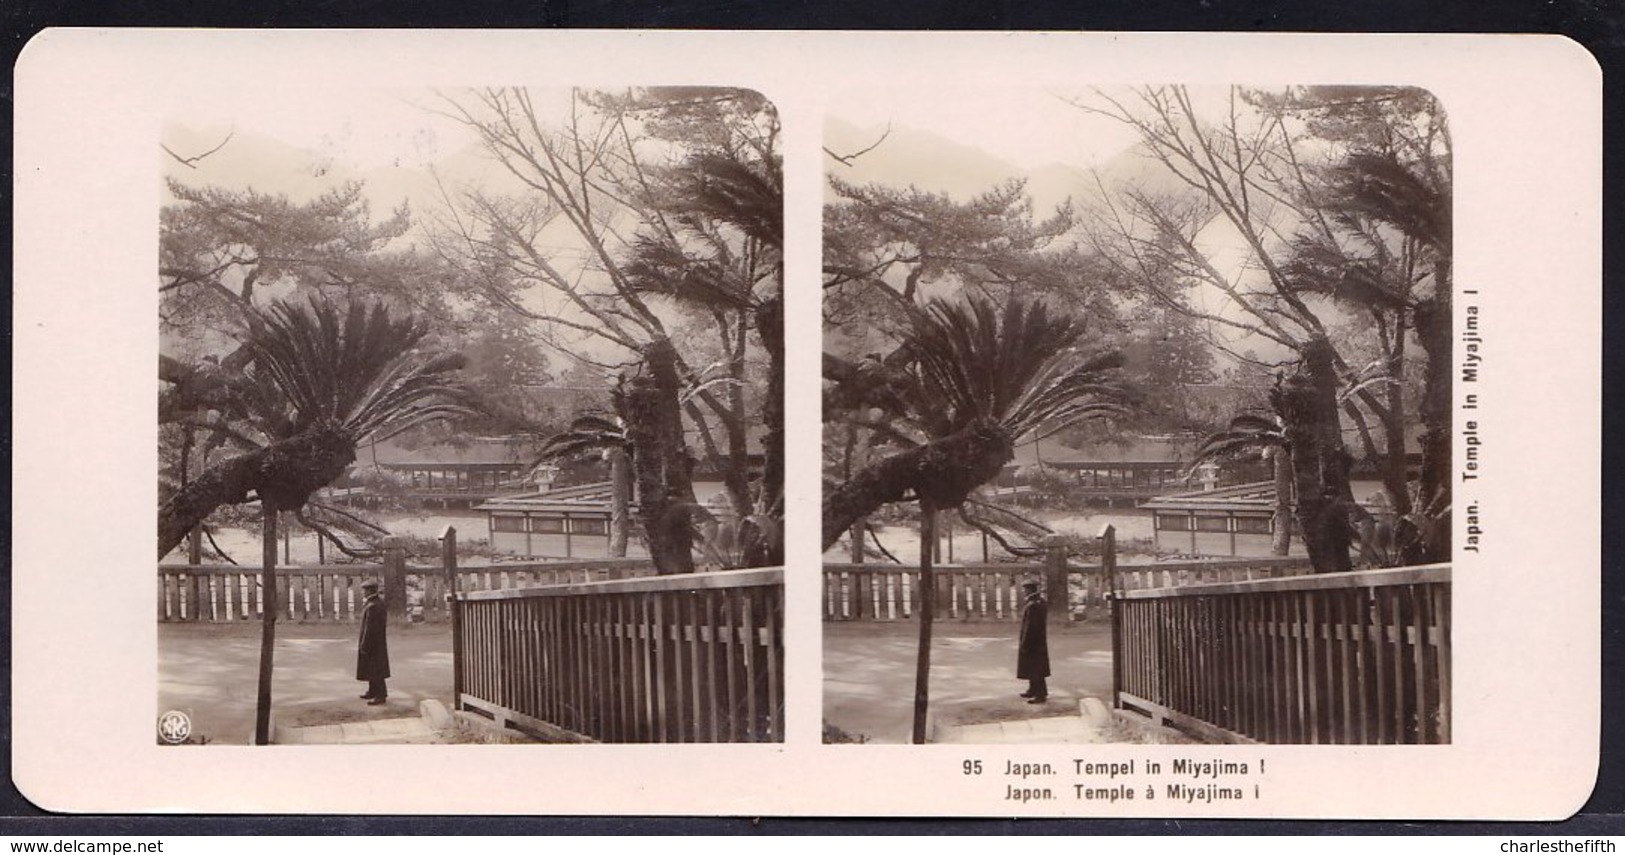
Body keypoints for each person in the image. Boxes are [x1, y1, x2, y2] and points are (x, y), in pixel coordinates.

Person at [356, 579, 390, 705]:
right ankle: (372, 691)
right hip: (376, 642)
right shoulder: (374, 603)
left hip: (373, 642)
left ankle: (381, 694)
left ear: (370, 590)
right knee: (371, 668)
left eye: (365, 590)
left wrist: (365, 643)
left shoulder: (373, 606)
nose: (363, 592)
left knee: (376, 669)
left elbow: (371, 628)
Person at [1017, 580, 1050, 704]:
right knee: (1034, 667)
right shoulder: (1040, 602)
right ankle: (1033, 689)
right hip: (1039, 641)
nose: (1024, 591)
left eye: (1025, 589)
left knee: (1036, 668)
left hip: (1033, 641)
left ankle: (1040, 694)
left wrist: (1025, 642)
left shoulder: (1033, 605)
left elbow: (1031, 626)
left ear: (1030, 590)